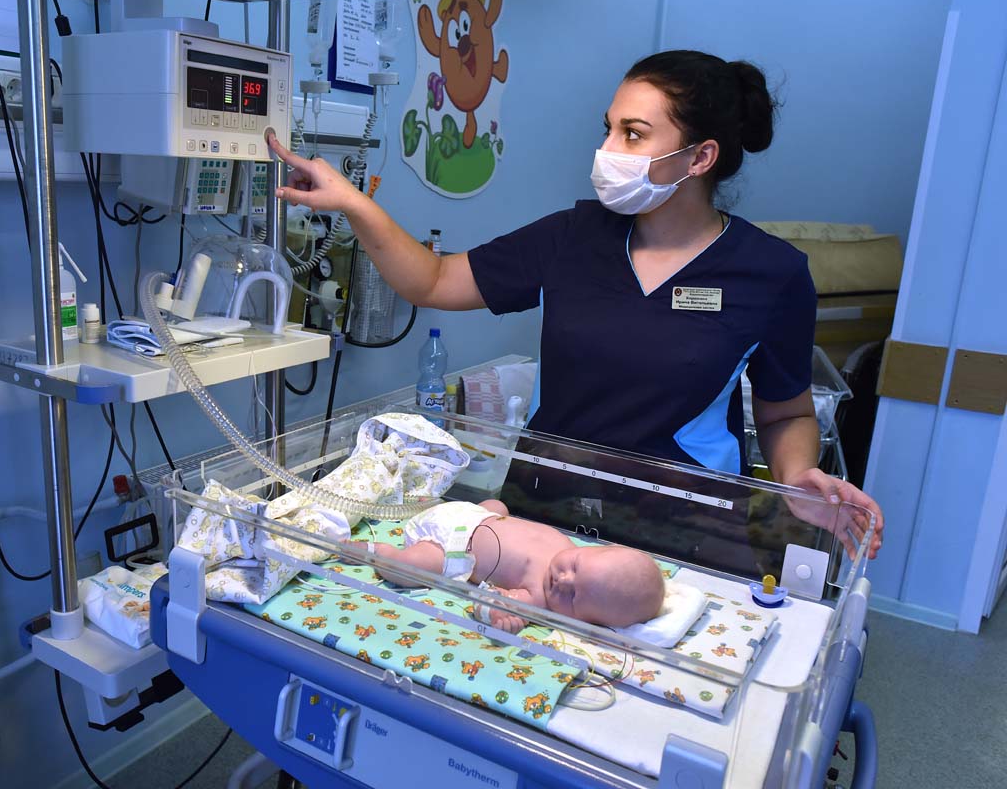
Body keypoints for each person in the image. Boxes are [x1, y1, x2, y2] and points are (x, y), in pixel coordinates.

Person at [268, 49, 883, 558]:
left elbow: (785, 414)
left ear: (700, 157)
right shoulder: (573, 237)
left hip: (683, 529)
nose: (608, 149)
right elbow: (431, 282)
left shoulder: (771, 274)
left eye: (633, 134)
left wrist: (796, 479)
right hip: (543, 512)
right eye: (608, 128)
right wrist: (355, 204)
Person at [371, 499, 665, 632]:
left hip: (447, 547)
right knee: (499, 506)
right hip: (473, 513)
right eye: (575, 567)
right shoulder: (570, 545)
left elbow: (488, 602)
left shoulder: (538, 598)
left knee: (407, 569)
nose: (563, 580)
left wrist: (501, 614)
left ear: (585, 621)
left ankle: (377, 552)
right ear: (593, 550)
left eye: (574, 596)